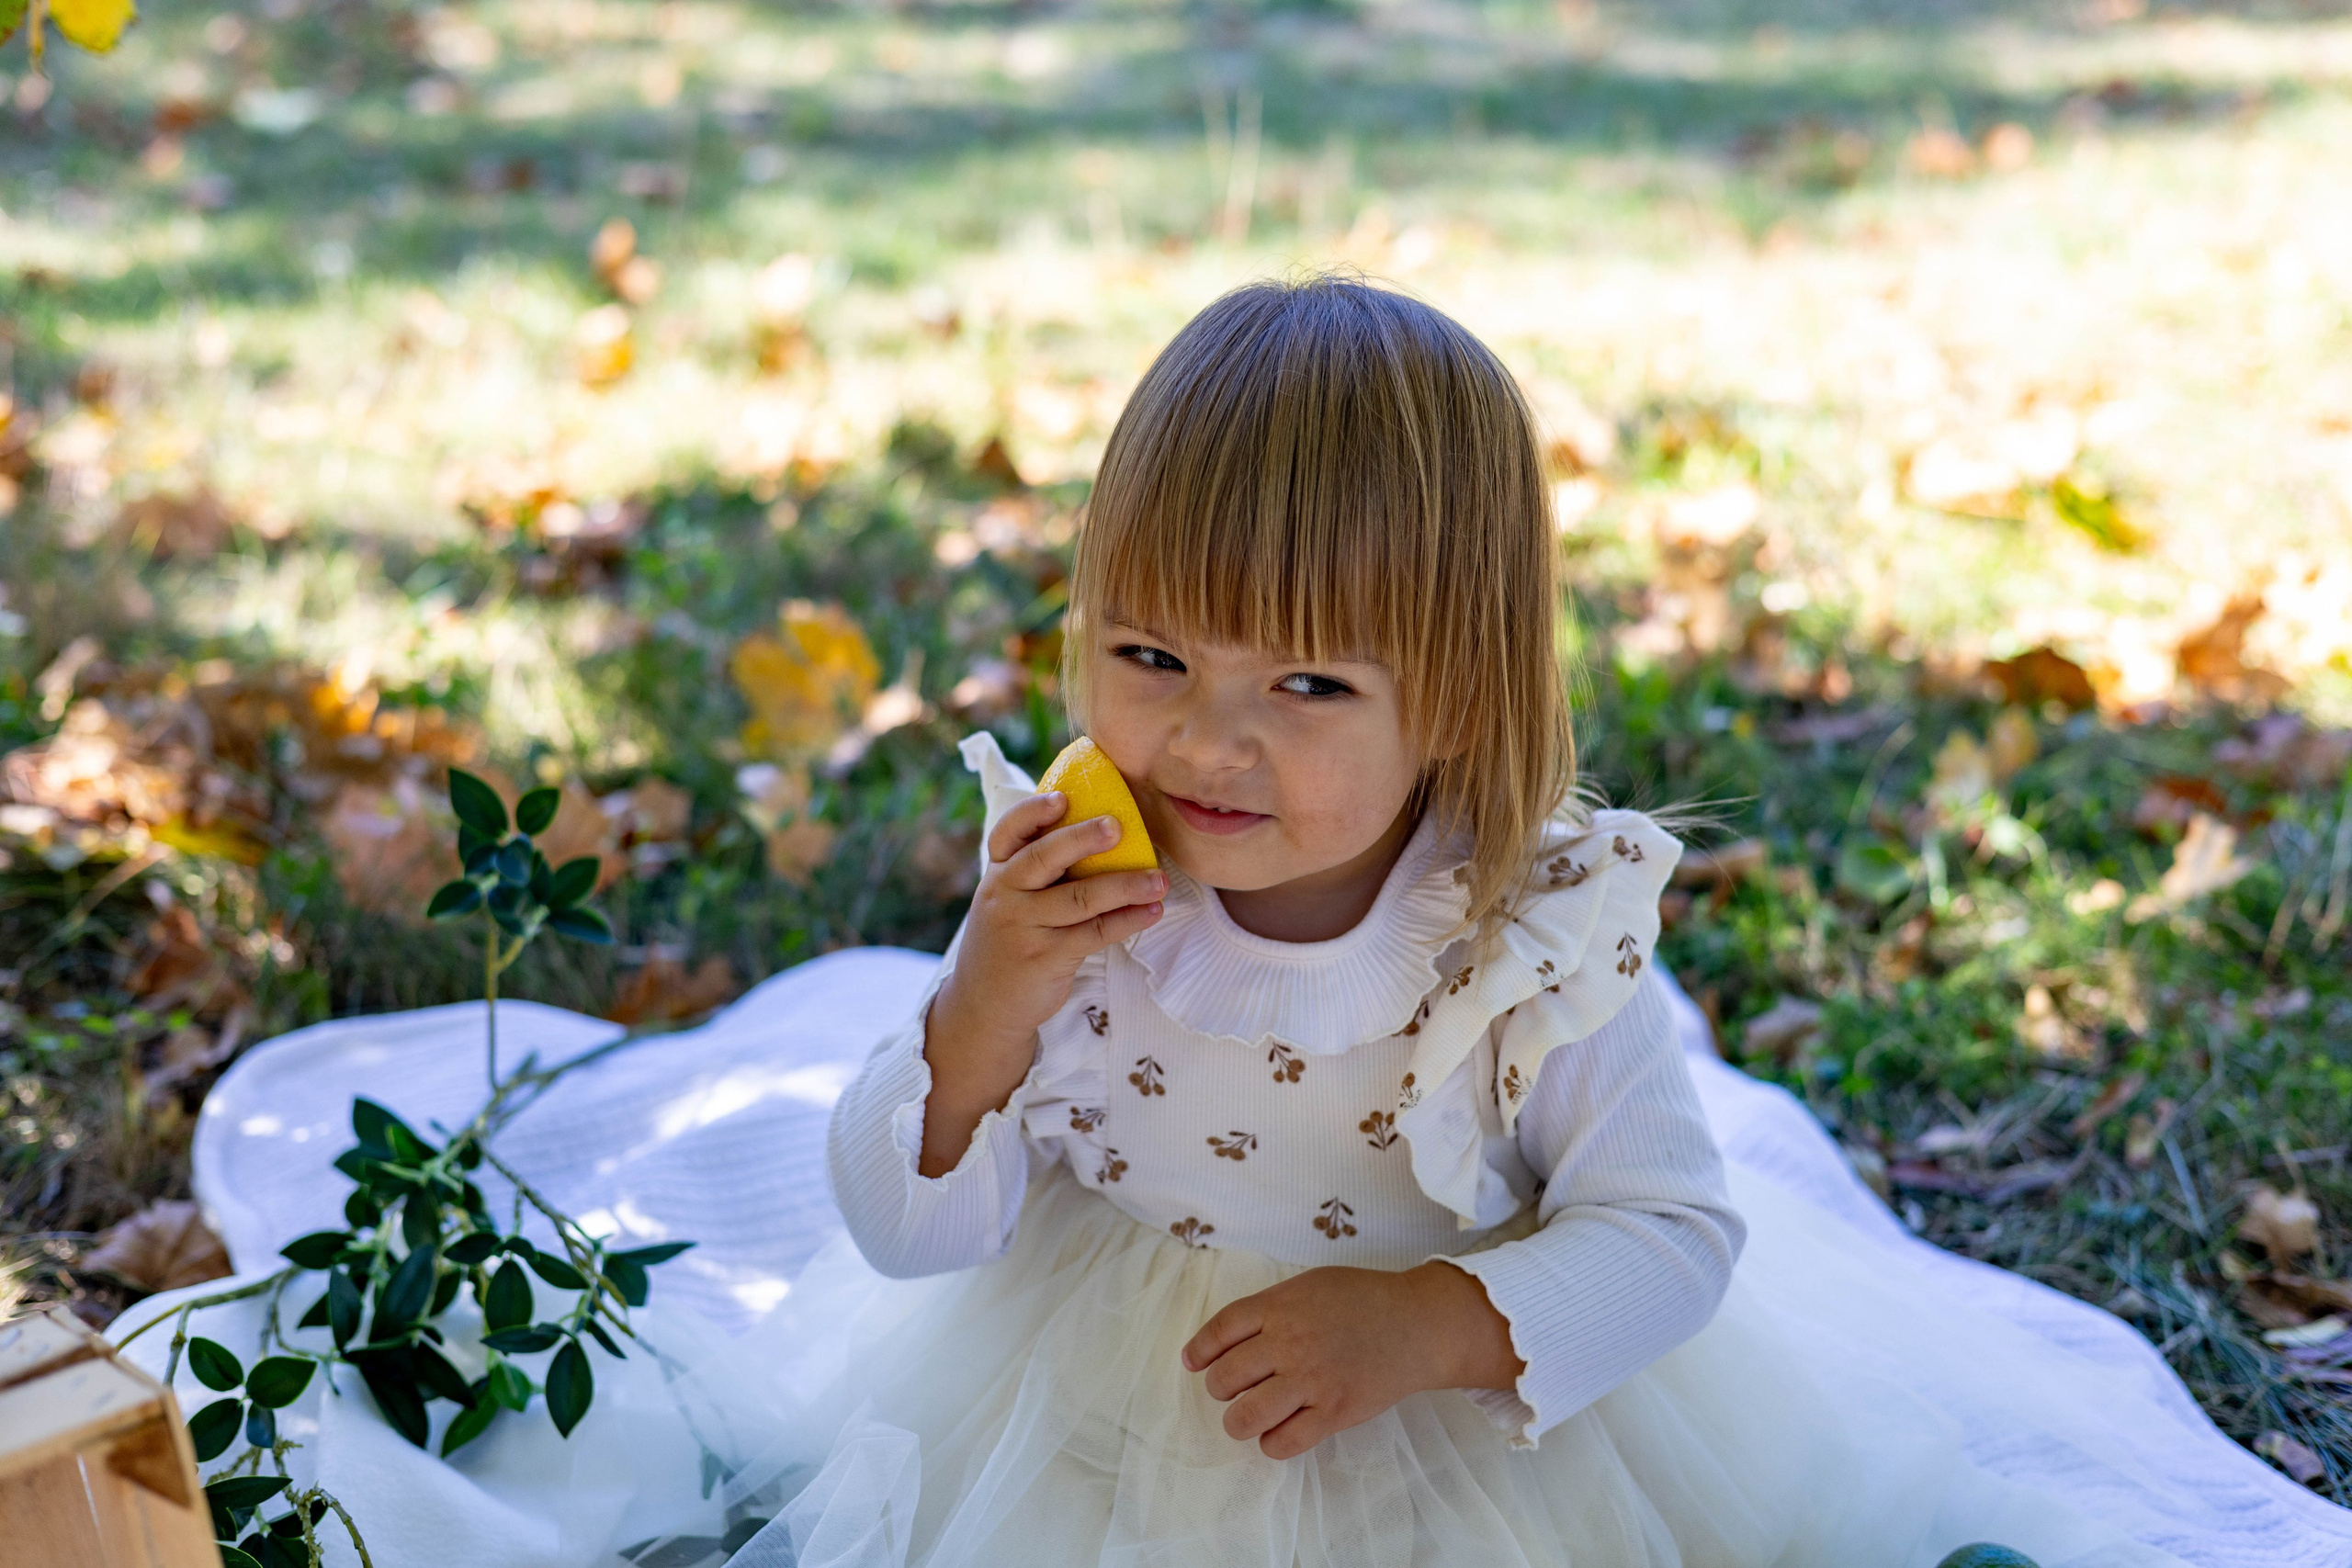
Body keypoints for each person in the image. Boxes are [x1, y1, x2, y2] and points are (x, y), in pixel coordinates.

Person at [113, 277, 2350, 1568]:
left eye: (1307, 684)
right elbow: (917, 1232)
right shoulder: (1069, 898)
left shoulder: (1520, 941)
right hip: (1094, 1389)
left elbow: (1673, 1230)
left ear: (1452, 698)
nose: (1208, 741)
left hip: (1460, 1419)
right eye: (1150, 655)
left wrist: (1432, 1325)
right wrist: (976, 1018)